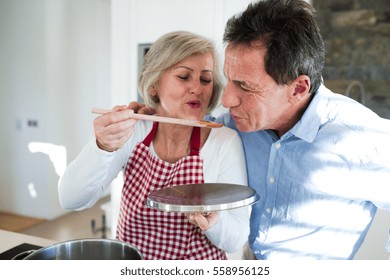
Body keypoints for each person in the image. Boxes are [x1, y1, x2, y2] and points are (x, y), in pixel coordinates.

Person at [131, 0, 390, 260]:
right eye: (228, 79)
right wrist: (154, 114)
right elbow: (196, 122)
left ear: (298, 88)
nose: (227, 99)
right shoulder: (236, 123)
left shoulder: (362, 138)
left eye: (245, 86)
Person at [58, 31, 250, 260]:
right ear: (153, 86)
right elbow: (71, 199)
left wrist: (215, 220)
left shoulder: (224, 141)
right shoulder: (134, 131)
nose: (197, 88)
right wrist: (101, 146)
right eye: (184, 76)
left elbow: (236, 239)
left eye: (205, 79)